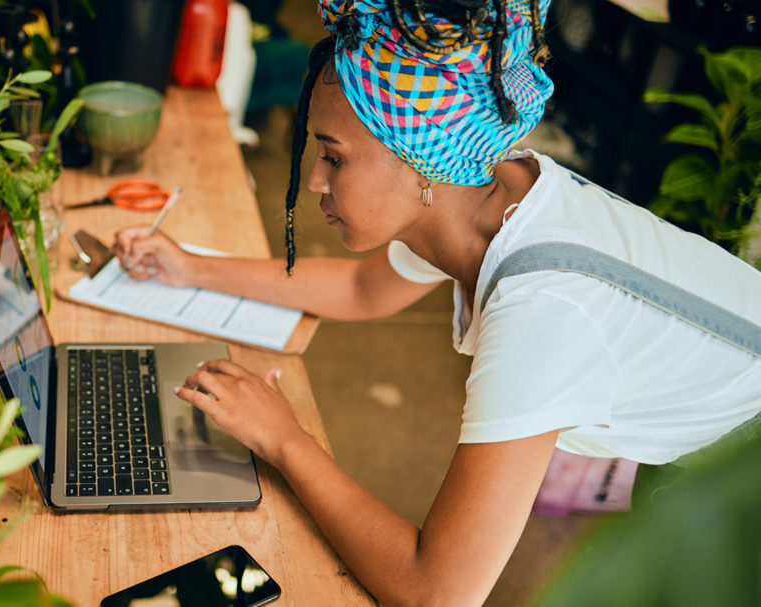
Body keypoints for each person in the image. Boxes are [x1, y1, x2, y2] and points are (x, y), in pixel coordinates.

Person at [112, 1, 761, 605]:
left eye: (334, 158)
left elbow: (440, 589)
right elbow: (361, 289)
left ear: (421, 164)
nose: (314, 181)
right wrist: (189, 266)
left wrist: (285, 439)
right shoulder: (487, 193)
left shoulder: (543, 309)